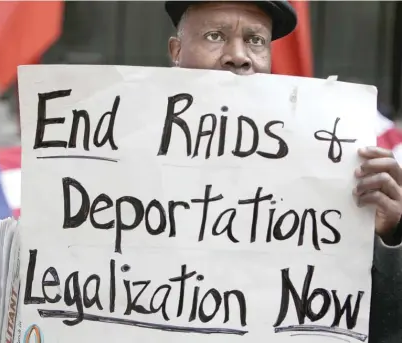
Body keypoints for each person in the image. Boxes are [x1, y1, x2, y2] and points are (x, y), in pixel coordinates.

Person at [164, 2, 402, 343]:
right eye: (215, 36)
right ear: (176, 50)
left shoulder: (331, 163)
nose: (238, 56)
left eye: (256, 41)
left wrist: (384, 239)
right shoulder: (109, 146)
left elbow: (377, 328)